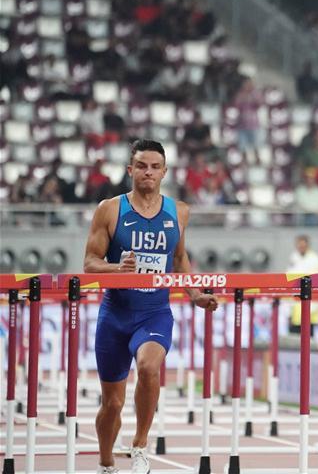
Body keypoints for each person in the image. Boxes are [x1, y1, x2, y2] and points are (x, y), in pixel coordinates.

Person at [84, 140, 218, 474]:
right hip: (115, 315)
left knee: (148, 367)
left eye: (155, 167)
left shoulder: (179, 211)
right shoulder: (110, 210)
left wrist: (195, 294)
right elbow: (89, 263)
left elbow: (178, 259)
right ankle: (106, 463)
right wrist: (118, 269)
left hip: (154, 312)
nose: (148, 172)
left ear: (164, 172)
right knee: (111, 404)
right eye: (141, 166)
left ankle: (140, 445)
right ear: (130, 170)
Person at [287, 235, 318, 339]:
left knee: (308, 334)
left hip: (310, 299)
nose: (301, 247)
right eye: (299, 244)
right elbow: (289, 276)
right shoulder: (293, 257)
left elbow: (315, 280)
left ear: (307, 245)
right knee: (294, 334)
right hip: (295, 300)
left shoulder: (315, 259)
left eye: (303, 244)